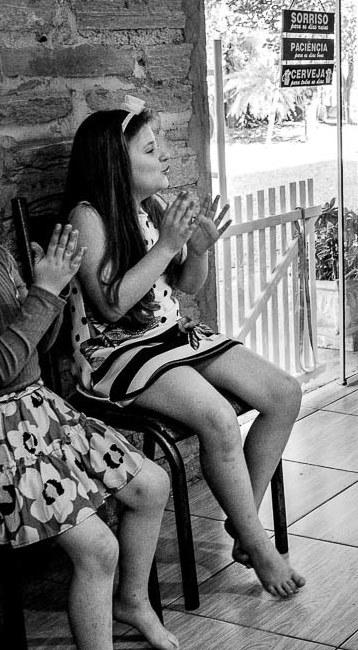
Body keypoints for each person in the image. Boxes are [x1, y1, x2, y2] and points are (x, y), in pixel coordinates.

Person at [62, 108, 306, 598]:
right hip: (119, 351)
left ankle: (243, 525)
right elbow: (111, 306)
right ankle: (258, 543)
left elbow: (187, 286)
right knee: (218, 417)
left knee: (285, 393)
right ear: (115, 163)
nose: (166, 155)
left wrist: (198, 250)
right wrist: (169, 243)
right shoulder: (88, 217)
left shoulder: (152, 208)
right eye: (151, 149)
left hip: (171, 336)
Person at [0, 138, 177, 650]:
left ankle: (132, 601)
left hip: (37, 409)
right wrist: (44, 291)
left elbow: (41, 345)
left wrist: (52, 290)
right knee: (98, 550)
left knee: (151, 485)